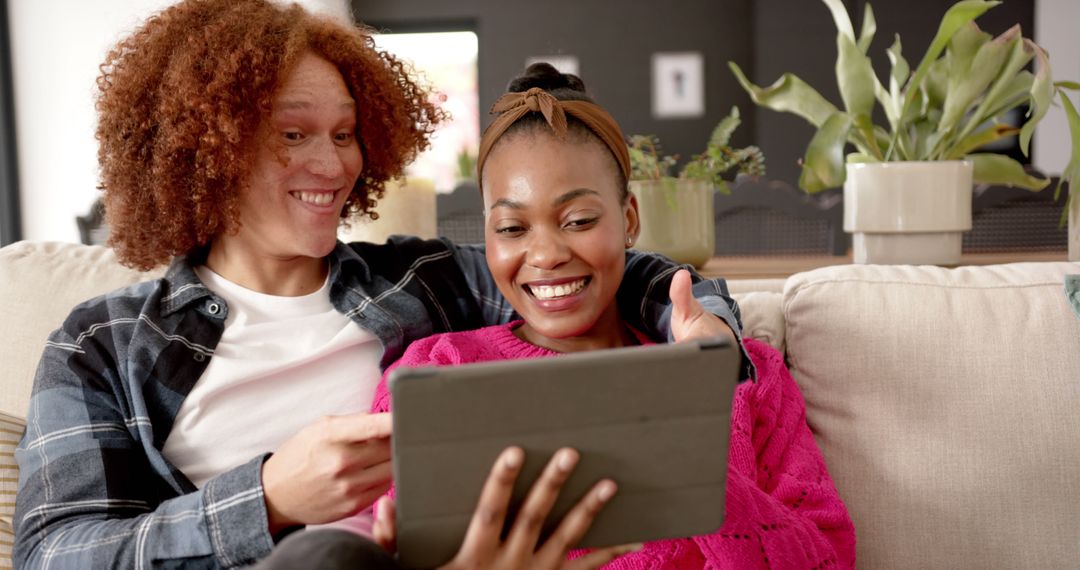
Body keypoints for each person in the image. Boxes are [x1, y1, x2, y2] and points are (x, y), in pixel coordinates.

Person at [12, 1, 746, 568]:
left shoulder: (421, 283)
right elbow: (53, 553)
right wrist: (266, 499)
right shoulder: (103, 345)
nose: (332, 167)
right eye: (292, 134)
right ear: (207, 148)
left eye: (343, 133)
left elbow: (599, 271)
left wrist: (709, 333)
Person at [369, 63, 857, 568]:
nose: (546, 253)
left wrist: (688, 440)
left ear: (628, 219)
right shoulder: (435, 373)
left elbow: (828, 559)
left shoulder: (744, 373)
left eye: (578, 220)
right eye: (512, 228)